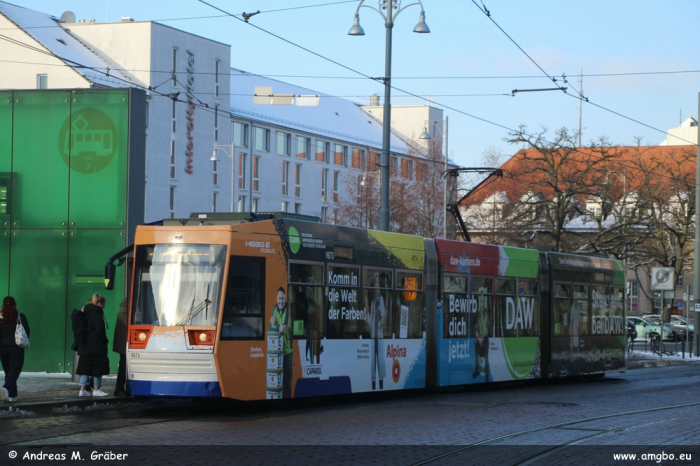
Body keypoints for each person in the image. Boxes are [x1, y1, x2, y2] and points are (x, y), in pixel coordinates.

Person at [76, 294, 110, 397]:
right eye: (103, 305)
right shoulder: (97, 314)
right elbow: (100, 331)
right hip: (96, 345)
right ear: (100, 304)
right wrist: (105, 340)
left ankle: (82, 389)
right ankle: (96, 389)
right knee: (97, 367)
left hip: (85, 345)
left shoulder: (85, 312)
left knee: (85, 367)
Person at [0, 296, 30, 402]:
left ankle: (12, 396)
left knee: (8, 371)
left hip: (2, 348)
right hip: (16, 347)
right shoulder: (20, 316)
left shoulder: (0, 317)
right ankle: (5, 388)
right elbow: (26, 331)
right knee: (15, 371)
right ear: (14, 304)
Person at [269, 287, 292, 398]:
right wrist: (278, 327)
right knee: (278, 378)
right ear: (277, 299)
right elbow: (270, 327)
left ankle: (287, 400)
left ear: (285, 299)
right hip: (277, 351)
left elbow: (284, 328)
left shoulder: (288, 309)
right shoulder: (275, 308)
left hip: (287, 351)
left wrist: (276, 326)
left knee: (287, 379)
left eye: (283, 298)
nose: (281, 301)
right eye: (279, 298)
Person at [366, 273, 386, 390]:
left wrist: (379, 321)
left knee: (381, 360)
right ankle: (373, 386)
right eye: (376, 283)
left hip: (379, 332)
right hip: (373, 333)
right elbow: (368, 319)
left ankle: (381, 386)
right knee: (373, 361)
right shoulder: (370, 299)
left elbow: (383, 317)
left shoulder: (381, 298)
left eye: (378, 283)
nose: (377, 286)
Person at [112, 297, 129, 397]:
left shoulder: (124, 310)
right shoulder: (124, 311)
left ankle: (120, 388)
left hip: (123, 344)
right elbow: (128, 324)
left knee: (124, 366)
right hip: (123, 345)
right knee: (123, 366)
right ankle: (119, 388)